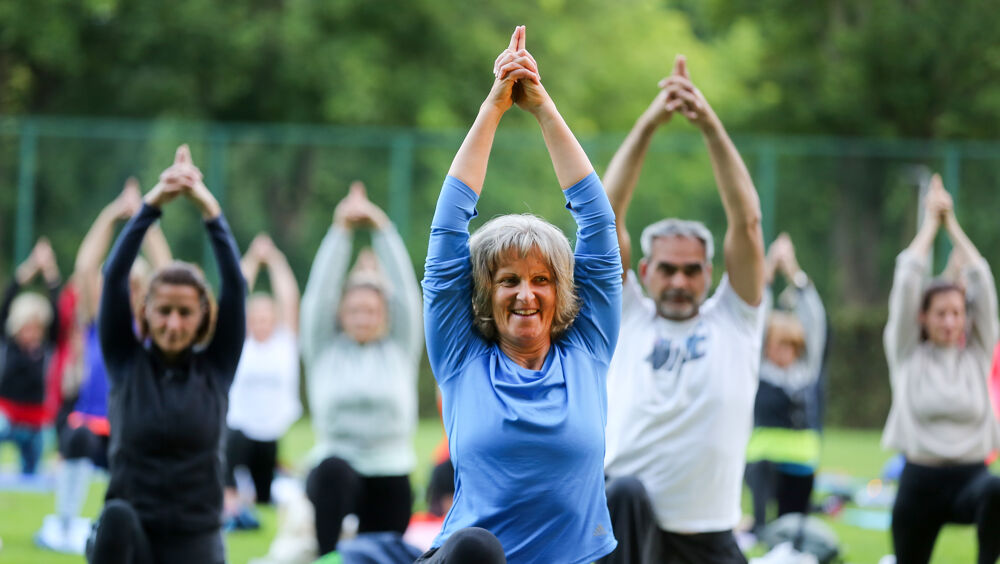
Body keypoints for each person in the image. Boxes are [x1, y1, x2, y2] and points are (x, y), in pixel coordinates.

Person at [419, 25, 621, 564]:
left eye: (541, 279)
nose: (525, 295)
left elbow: (598, 223)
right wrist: (494, 107)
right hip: (471, 561)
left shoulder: (588, 348)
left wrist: (541, 106)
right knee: (478, 549)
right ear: (486, 294)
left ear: (562, 292)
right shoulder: (461, 357)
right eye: (508, 280)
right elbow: (446, 234)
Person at [600, 54, 766, 564]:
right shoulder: (624, 316)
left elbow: (748, 222)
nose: (678, 280)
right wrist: (650, 123)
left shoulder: (734, 321)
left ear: (709, 275)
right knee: (624, 490)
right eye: (667, 268)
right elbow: (604, 217)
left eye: (691, 269)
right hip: (628, 527)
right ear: (644, 272)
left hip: (708, 537)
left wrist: (711, 127)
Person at [86, 145, 246, 564]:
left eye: (185, 312)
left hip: (197, 538)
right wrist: (153, 202)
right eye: (164, 311)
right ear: (146, 312)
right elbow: (114, 275)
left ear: (202, 317)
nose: (173, 323)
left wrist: (208, 208)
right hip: (132, 538)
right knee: (115, 517)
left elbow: (234, 286)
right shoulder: (124, 361)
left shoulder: (217, 367)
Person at [36, 178, 173, 553]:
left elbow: (167, 270)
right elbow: (85, 266)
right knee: (75, 438)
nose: (129, 291)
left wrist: (149, 221)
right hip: (92, 426)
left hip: (133, 427)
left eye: (136, 285)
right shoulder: (101, 321)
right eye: (123, 284)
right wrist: (112, 215)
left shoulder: (155, 328)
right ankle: (65, 525)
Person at [882, 173, 1000, 564]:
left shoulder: (977, 354)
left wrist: (952, 223)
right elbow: (907, 279)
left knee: (998, 490)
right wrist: (931, 224)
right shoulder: (907, 354)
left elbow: (981, 277)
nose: (950, 322)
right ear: (924, 318)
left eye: (956, 314)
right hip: (919, 480)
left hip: (971, 478)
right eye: (941, 314)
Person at [300, 181, 422, 556]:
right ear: (341, 314)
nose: (362, 317)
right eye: (353, 309)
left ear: (383, 315)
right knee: (333, 469)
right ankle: (327, 556)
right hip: (336, 472)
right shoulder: (325, 348)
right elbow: (319, 295)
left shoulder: (400, 348)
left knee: (379, 553)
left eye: (370, 310)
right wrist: (341, 232)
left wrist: (382, 229)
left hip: (390, 471)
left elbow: (405, 294)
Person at [745, 233, 828, 533]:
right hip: (763, 464)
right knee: (764, 528)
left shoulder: (806, 370)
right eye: (775, 345)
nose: (779, 352)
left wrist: (793, 270)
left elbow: (815, 319)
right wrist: (768, 271)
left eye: (787, 346)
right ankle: (757, 525)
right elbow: (755, 315)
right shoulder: (760, 369)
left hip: (801, 462)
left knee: (792, 529)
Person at [223, 232, 301, 529]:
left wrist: (276, 260)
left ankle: (256, 494)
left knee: (265, 496)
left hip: (270, 435)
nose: (260, 324)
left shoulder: (285, 344)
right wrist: (253, 259)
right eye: (255, 318)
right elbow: (235, 295)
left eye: (266, 318)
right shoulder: (241, 344)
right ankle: (230, 500)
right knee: (231, 444)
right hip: (240, 431)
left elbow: (289, 299)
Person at [0, 238, 62, 475]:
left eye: (37, 327)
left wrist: (50, 271)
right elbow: (8, 298)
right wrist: (31, 267)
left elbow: (56, 310)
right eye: (27, 327)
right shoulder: (8, 346)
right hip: (6, 415)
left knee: (32, 473)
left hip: (34, 420)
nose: (32, 333)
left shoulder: (46, 348)